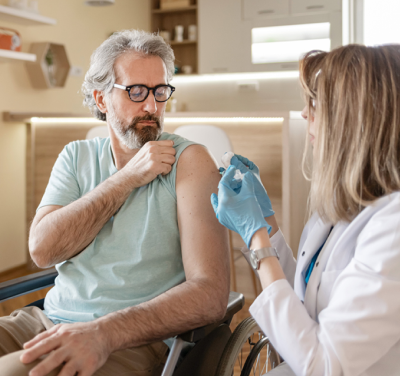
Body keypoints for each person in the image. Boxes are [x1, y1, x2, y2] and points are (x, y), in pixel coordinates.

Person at [0, 30, 230, 376]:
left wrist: (104, 333)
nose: (152, 106)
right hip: (44, 320)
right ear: (102, 99)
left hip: (129, 339)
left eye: (160, 91)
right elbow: (43, 249)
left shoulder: (190, 161)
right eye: (136, 91)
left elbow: (210, 293)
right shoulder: (75, 156)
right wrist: (126, 179)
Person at [212, 44, 400, 375]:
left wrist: (256, 237)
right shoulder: (343, 208)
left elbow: (323, 366)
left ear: (355, 118)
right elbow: (305, 301)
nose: (303, 113)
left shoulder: (393, 225)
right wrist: (266, 224)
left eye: (314, 102)